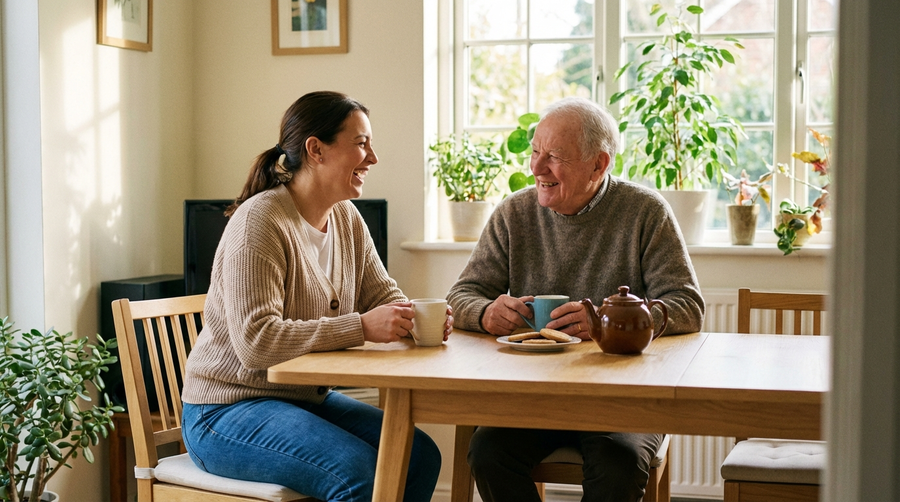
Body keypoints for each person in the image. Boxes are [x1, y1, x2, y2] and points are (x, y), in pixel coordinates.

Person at [182, 91, 450, 502]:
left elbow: (384, 296)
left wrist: (413, 320)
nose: (372, 158)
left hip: (301, 399)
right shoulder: (260, 222)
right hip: (224, 412)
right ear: (316, 150)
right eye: (361, 143)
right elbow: (257, 343)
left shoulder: (346, 217)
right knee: (358, 475)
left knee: (418, 456)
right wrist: (360, 326)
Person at [447, 96, 704, 502]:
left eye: (554, 156)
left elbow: (687, 305)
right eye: (535, 152)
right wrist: (485, 313)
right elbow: (462, 294)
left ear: (599, 164)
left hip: (621, 398)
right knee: (487, 454)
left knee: (618, 463)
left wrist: (609, 325)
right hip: (533, 394)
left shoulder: (645, 212)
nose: (536, 167)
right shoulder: (514, 213)